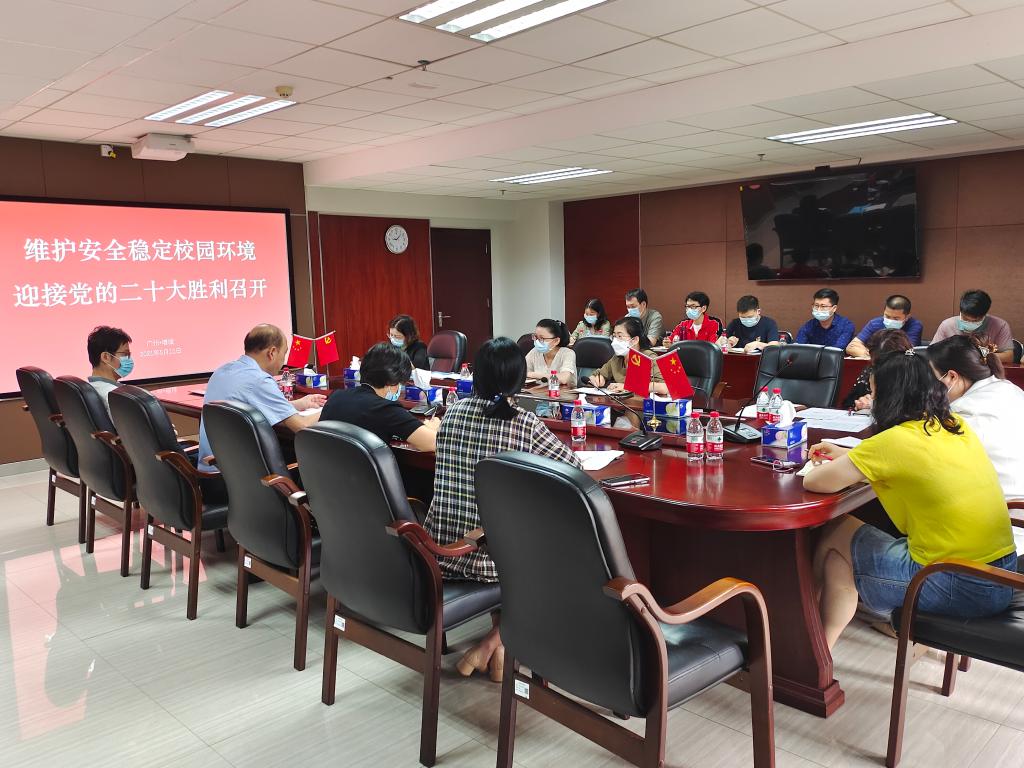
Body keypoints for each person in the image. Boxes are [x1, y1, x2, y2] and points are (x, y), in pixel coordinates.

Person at [805, 349, 1017, 650]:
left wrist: (838, 463)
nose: (872, 401)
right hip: (1001, 575)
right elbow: (909, 465)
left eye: (875, 393)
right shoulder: (953, 425)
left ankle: (806, 635)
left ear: (889, 397)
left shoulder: (894, 441)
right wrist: (850, 457)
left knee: (833, 532)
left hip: (956, 582)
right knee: (839, 559)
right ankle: (820, 651)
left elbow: (815, 482)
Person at [424, 337, 582, 681]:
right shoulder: (523, 422)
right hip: (485, 556)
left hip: (441, 548)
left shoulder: (452, 412)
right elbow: (573, 469)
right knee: (562, 551)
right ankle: (491, 645)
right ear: (519, 379)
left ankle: (497, 653)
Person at [197, 324, 327, 473]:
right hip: (246, 475)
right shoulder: (259, 380)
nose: (283, 361)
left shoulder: (222, 371)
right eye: (284, 353)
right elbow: (302, 427)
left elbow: (251, 406)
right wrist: (330, 407)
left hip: (216, 469)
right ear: (272, 352)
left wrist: (299, 404)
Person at [929, 334, 1024, 499]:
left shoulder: (964, 412)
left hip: (1005, 507)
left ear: (952, 376)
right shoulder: (1011, 389)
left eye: (934, 378)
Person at [320, 342, 440, 452]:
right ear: (392, 382)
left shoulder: (336, 397)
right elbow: (433, 443)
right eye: (400, 383)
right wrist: (433, 427)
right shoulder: (387, 409)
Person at [587, 317, 668, 395]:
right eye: (614, 336)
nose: (615, 341)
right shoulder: (617, 358)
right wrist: (597, 379)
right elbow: (597, 374)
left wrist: (628, 387)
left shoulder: (648, 357)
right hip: (621, 402)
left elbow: (664, 387)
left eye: (620, 336)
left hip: (642, 402)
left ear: (635, 340)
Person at [931, 289, 1013, 363]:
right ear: (961, 312)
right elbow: (932, 352)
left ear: (984, 315)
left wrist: (978, 356)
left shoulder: (1000, 326)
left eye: (975, 321)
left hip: (986, 371)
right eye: (965, 319)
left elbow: (1008, 357)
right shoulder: (947, 325)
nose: (969, 323)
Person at [840, 329, 912, 411]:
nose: (880, 369)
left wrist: (876, 405)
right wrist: (859, 404)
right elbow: (848, 405)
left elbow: (913, 409)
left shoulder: (913, 374)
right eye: (876, 362)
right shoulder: (870, 371)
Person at [846, 295, 923, 357]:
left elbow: (906, 352)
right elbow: (851, 347)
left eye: (896, 318)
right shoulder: (875, 323)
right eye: (887, 316)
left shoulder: (914, 325)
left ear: (907, 317)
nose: (890, 321)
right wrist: (870, 355)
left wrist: (877, 355)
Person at [86, 325, 133, 415]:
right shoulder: (116, 397)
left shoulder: (91, 388)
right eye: (125, 354)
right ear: (105, 357)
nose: (129, 359)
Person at [524, 319, 577, 387]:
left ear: (556, 341)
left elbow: (563, 379)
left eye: (542, 338)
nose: (537, 341)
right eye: (536, 337)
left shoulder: (568, 353)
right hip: (539, 392)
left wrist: (533, 374)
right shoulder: (534, 352)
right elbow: (521, 372)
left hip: (564, 392)